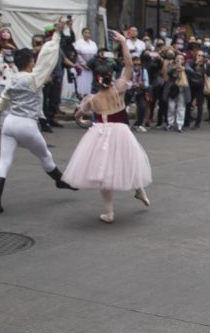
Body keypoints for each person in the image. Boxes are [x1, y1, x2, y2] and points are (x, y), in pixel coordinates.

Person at [0, 23, 78, 216]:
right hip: (27, 124)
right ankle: (60, 181)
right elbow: (48, 57)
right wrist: (56, 34)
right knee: (45, 156)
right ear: (30, 63)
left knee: (3, 162)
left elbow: (3, 99)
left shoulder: (12, 78)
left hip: (9, 123)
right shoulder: (33, 78)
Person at [64, 30, 152, 223]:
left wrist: (83, 119)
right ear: (110, 76)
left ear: (96, 78)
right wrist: (123, 42)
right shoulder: (118, 89)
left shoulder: (93, 99)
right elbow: (129, 65)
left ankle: (109, 212)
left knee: (104, 172)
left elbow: (78, 115)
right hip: (121, 131)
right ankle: (140, 190)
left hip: (101, 134)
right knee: (129, 161)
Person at [72, 27, 99, 98]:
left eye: (88, 33)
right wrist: (84, 64)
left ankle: (88, 97)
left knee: (89, 83)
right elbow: (77, 54)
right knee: (81, 82)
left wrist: (91, 65)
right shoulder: (78, 43)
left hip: (90, 66)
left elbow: (95, 55)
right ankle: (79, 97)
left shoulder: (93, 43)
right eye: (85, 33)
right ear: (82, 33)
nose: (87, 34)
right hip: (81, 66)